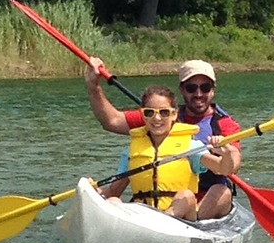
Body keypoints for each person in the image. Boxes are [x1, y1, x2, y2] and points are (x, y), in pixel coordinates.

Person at [84, 59, 242, 219]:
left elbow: (231, 165)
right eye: (191, 88)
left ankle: (186, 224)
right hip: (152, 205)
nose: (199, 94)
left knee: (221, 192)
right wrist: (93, 86)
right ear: (182, 89)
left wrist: (226, 152)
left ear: (213, 90)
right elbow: (112, 121)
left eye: (205, 87)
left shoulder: (223, 124)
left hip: (198, 203)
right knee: (113, 199)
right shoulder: (156, 116)